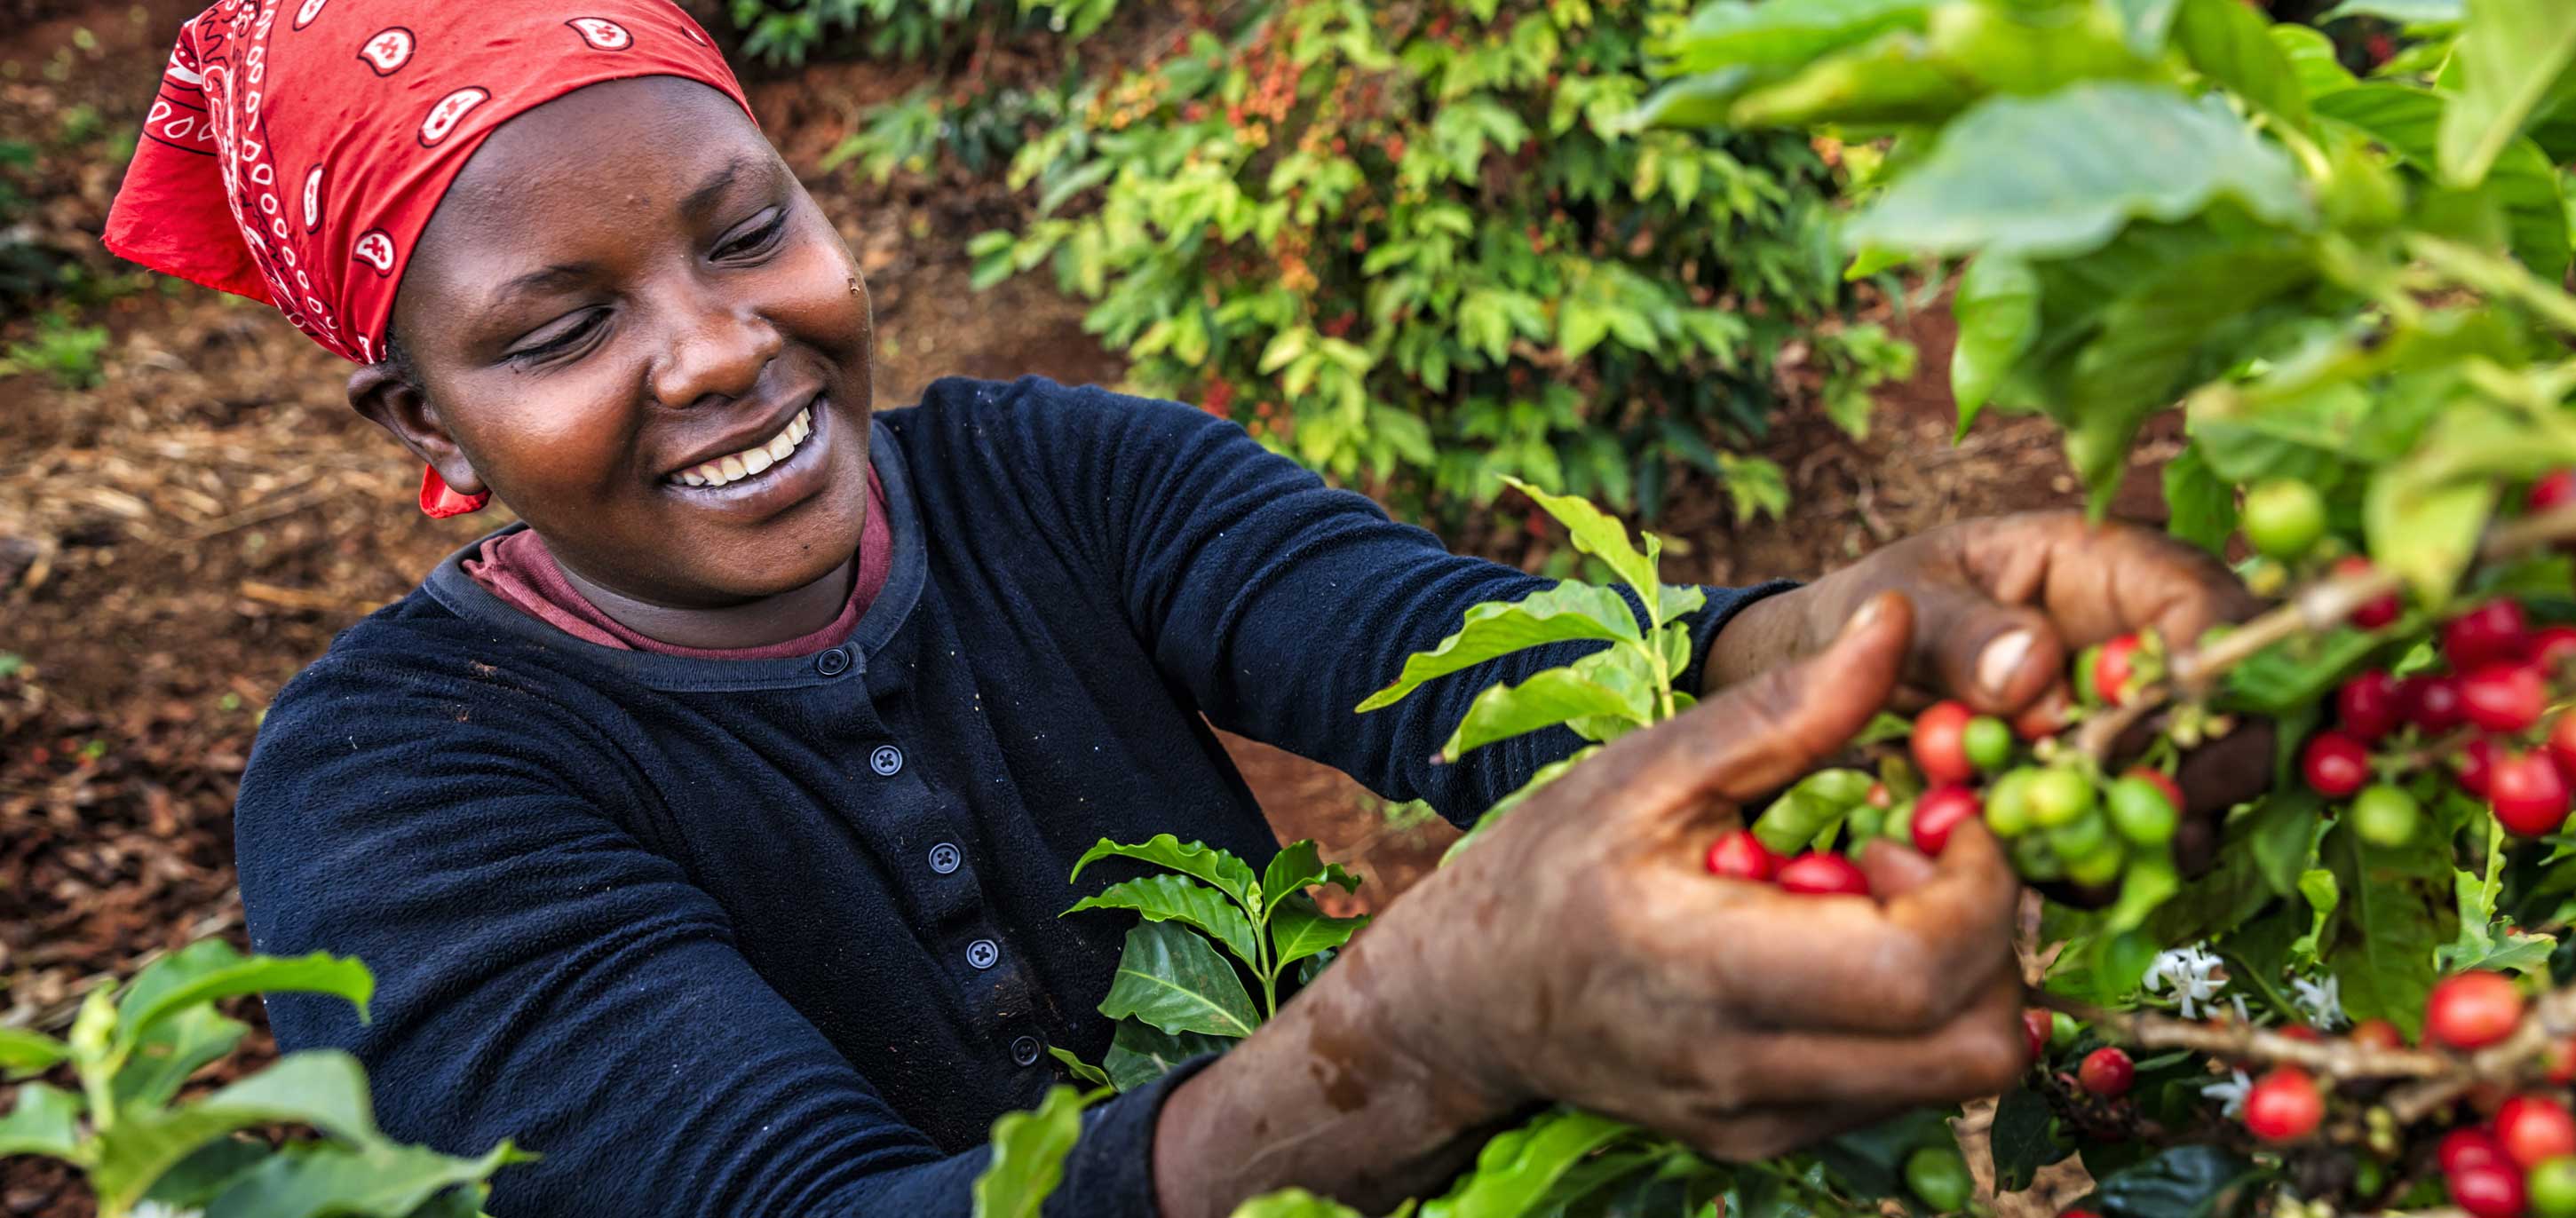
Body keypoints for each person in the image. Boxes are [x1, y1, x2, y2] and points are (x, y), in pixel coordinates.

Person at [100, 2, 2264, 1214]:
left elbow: (1464, 660)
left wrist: (1834, 639)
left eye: (746, 231)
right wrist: (1412, 1040)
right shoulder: (402, 786)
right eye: (566, 323)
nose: (723, 349)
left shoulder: (1063, 476)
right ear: (431, 412)